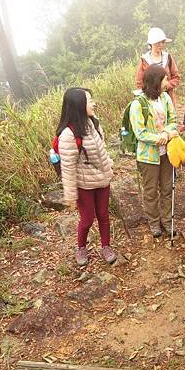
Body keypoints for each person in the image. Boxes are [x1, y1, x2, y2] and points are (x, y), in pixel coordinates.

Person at [57, 87, 117, 266]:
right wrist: (70, 195)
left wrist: (109, 166)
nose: (93, 103)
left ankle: (106, 246)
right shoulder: (68, 134)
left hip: (102, 179)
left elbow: (102, 150)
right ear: (79, 105)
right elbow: (67, 167)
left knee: (104, 215)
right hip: (84, 184)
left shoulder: (94, 123)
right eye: (89, 100)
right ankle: (81, 247)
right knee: (88, 218)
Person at [130, 64, 179, 237]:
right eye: (165, 78)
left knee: (167, 188)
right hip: (148, 156)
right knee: (150, 192)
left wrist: (166, 133)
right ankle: (154, 223)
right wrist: (159, 138)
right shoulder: (138, 104)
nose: (167, 81)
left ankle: (167, 221)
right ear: (156, 81)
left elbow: (173, 119)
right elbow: (140, 132)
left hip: (167, 153)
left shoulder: (165, 98)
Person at [136, 27, 180, 105]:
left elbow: (176, 77)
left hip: (167, 98)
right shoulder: (144, 60)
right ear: (151, 44)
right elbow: (140, 82)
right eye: (157, 42)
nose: (160, 45)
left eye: (162, 42)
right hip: (151, 100)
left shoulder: (168, 57)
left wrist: (166, 86)